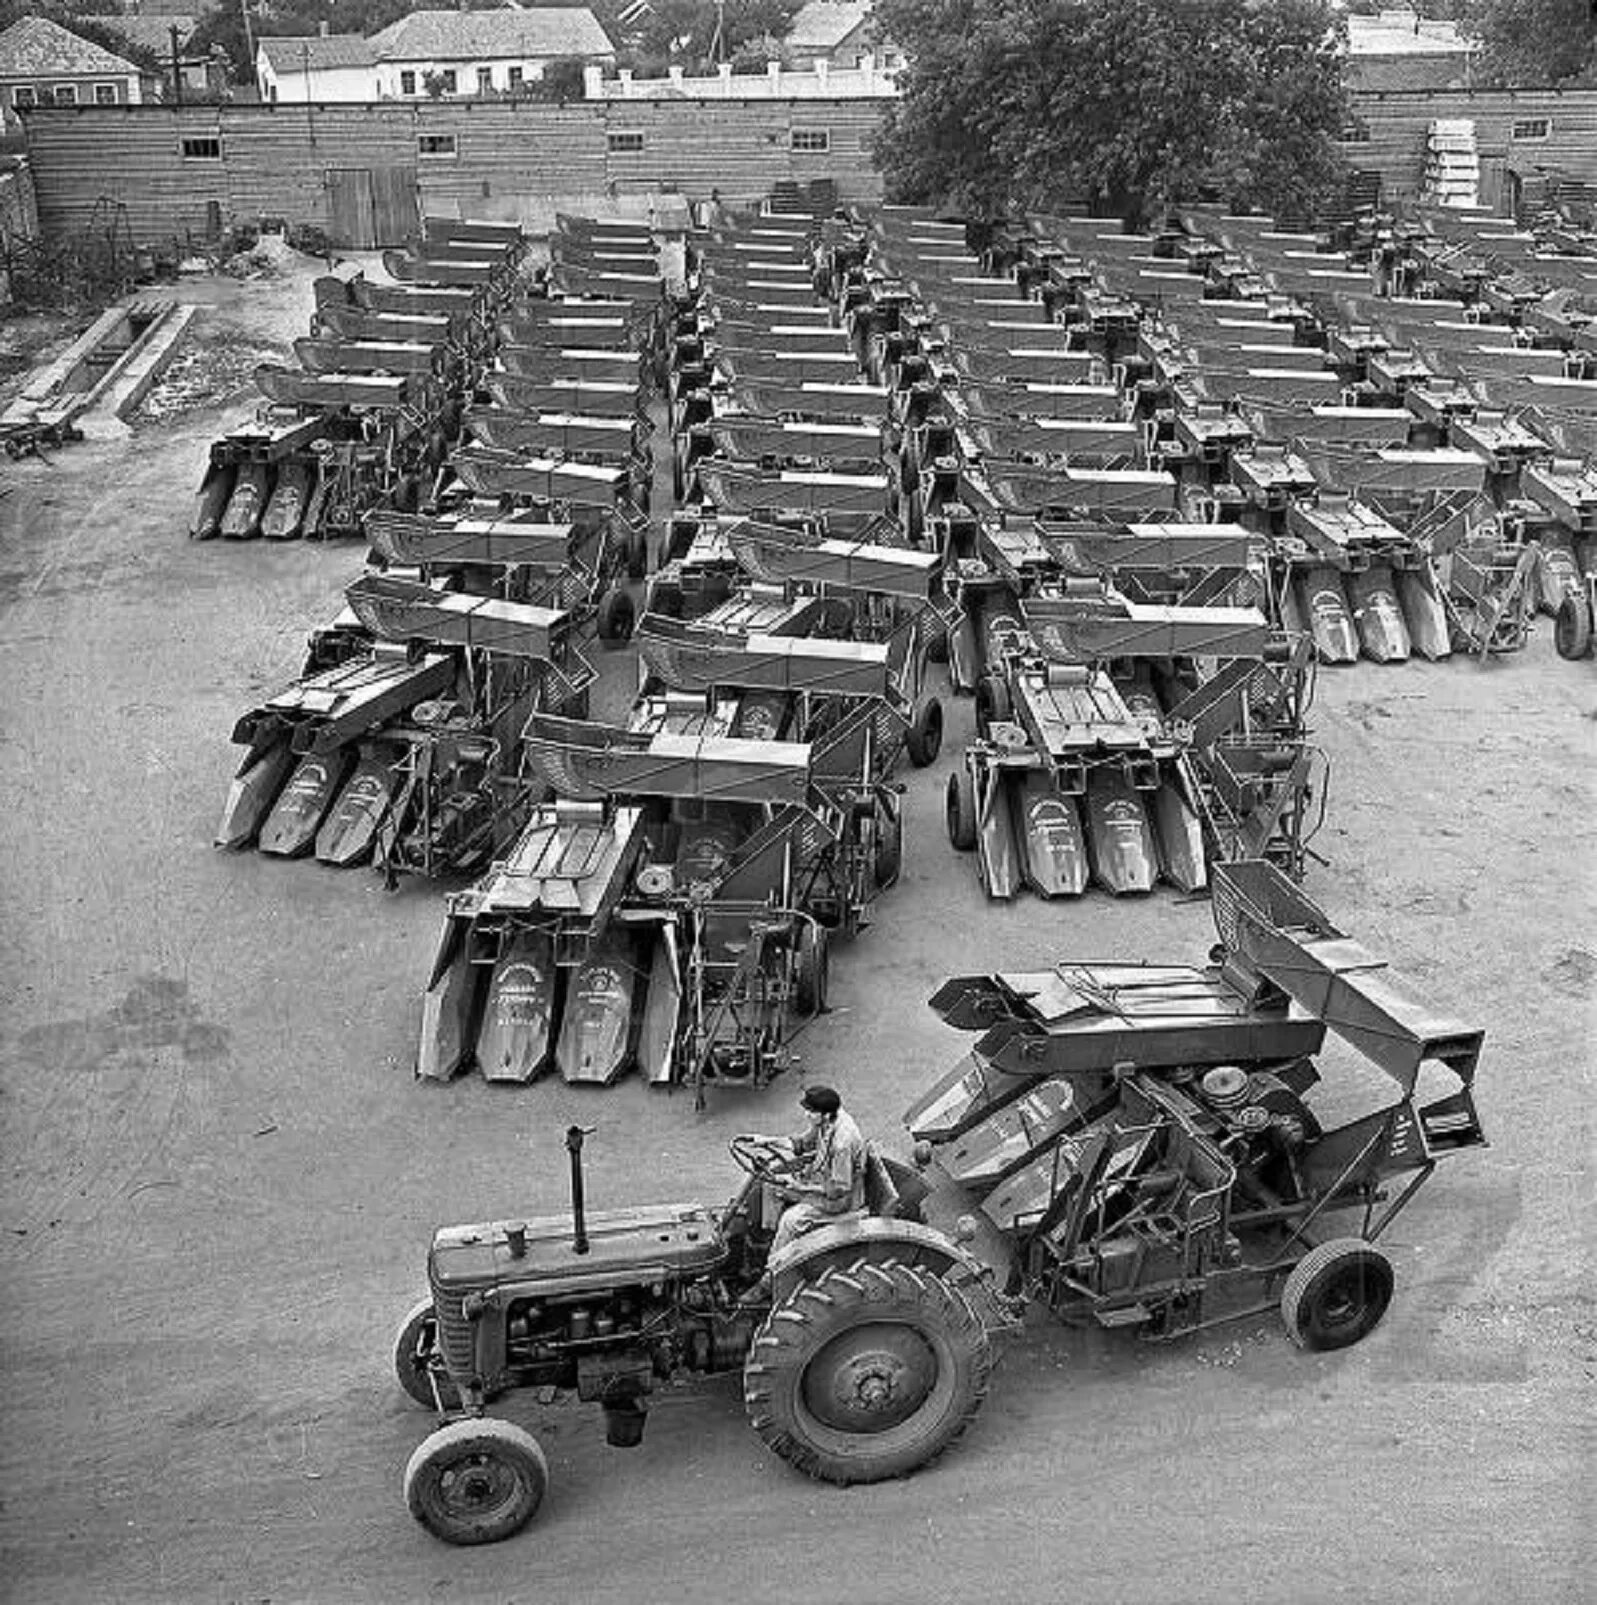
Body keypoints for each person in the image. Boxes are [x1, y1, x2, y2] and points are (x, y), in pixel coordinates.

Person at [759, 1084, 869, 1258]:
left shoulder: (842, 1143)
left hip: (839, 1202)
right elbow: (801, 1144)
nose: (806, 1115)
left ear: (825, 1115)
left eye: (811, 1111)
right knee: (769, 1183)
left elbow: (840, 1189)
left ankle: (774, 1267)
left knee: (791, 1220)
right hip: (820, 1179)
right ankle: (770, 1240)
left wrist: (800, 1187)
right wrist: (766, 1141)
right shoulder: (828, 1119)